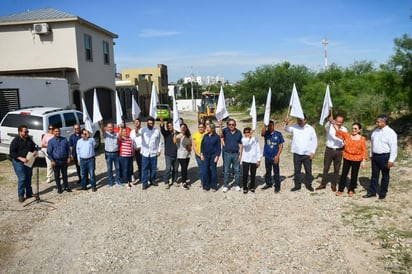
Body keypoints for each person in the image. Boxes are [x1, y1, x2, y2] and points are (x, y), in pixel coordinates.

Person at [363, 114, 398, 200]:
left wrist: (391, 160)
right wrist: (371, 154)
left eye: (378, 121)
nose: (377, 123)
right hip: (375, 156)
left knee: (385, 175)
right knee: (374, 175)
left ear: (384, 122)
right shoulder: (375, 132)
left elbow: (394, 148)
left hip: (385, 156)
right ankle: (372, 192)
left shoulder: (391, 133)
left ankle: (383, 192)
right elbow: (372, 144)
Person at [284, 114, 318, 192]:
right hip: (297, 153)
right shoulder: (294, 127)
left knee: (308, 170)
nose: (299, 121)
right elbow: (286, 129)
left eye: (301, 120)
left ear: (305, 120)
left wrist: (313, 152)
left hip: (307, 154)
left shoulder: (310, 129)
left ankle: (309, 185)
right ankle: (297, 185)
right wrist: (286, 122)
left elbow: (314, 141)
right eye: (298, 120)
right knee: (297, 170)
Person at [334, 122, 367, 197]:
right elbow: (339, 132)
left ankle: (351, 189)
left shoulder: (362, 139)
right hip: (347, 157)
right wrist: (334, 125)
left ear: (359, 130)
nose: (353, 130)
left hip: (357, 159)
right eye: (352, 128)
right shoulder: (347, 135)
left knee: (354, 175)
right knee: (344, 174)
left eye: (355, 129)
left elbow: (364, 150)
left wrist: (363, 160)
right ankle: (340, 189)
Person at [316, 115, 347, 192]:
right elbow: (327, 125)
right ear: (335, 120)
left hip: (339, 150)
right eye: (338, 121)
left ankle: (334, 185)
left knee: (337, 169)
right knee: (326, 167)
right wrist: (330, 121)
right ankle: (323, 184)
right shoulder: (329, 127)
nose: (339, 123)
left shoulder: (344, 129)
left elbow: (345, 139)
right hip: (329, 150)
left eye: (341, 122)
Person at [9, 125, 38, 202]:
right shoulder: (15, 141)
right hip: (18, 162)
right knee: (22, 178)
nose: (27, 133)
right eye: (25, 132)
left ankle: (29, 193)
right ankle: (21, 195)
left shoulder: (29, 139)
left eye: (27, 131)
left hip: (28, 161)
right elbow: (12, 153)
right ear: (20, 132)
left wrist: (35, 151)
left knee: (28, 177)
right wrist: (21, 158)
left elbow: (35, 147)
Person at [219, 118, 242, 192]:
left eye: (233, 124)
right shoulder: (225, 130)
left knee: (237, 170)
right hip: (227, 154)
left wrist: (240, 155)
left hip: (236, 154)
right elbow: (221, 136)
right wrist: (220, 126)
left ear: (235, 125)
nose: (231, 126)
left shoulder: (239, 132)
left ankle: (236, 184)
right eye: (230, 124)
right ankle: (226, 185)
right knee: (226, 170)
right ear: (227, 125)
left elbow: (241, 144)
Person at [261, 120, 284, 193]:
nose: (270, 127)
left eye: (271, 125)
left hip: (275, 156)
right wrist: (265, 125)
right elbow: (262, 133)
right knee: (268, 171)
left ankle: (277, 186)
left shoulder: (278, 134)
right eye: (269, 126)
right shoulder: (266, 133)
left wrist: (277, 156)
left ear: (273, 125)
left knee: (276, 172)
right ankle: (268, 183)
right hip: (267, 156)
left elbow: (281, 145)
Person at [47, 127, 72, 194]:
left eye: (58, 131)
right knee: (57, 175)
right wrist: (52, 160)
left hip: (64, 160)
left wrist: (69, 157)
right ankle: (59, 188)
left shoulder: (64, 139)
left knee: (65, 174)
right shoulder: (51, 141)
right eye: (56, 131)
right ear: (53, 132)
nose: (58, 132)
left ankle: (66, 186)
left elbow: (68, 149)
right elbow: (49, 152)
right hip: (56, 161)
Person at [99, 121, 123, 187]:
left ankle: (118, 180)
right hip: (108, 154)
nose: (110, 128)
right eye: (109, 127)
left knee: (117, 168)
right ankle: (110, 182)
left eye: (111, 127)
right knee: (109, 169)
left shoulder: (117, 133)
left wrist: (121, 128)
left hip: (116, 153)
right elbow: (102, 129)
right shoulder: (105, 134)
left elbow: (120, 138)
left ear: (113, 127)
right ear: (107, 128)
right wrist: (101, 123)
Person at [140, 117, 161, 190]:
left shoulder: (156, 131)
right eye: (148, 123)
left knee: (153, 168)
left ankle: (153, 180)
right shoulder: (143, 130)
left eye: (151, 123)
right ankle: (144, 182)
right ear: (147, 123)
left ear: (153, 124)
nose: (150, 124)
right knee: (144, 168)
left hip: (153, 152)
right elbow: (137, 135)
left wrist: (159, 150)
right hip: (145, 153)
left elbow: (159, 141)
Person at [200, 123, 221, 192]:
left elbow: (218, 147)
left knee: (213, 171)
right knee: (205, 170)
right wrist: (202, 154)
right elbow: (202, 146)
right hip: (205, 155)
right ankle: (206, 186)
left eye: (208, 127)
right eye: (206, 127)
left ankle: (214, 186)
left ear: (212, 128)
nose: (207, 129)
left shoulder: (216, 137)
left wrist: (217, 156)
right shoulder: (205, 136)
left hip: (213, 155)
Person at [241, 127, 261, 194]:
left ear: (250, 132)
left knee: (253, 174)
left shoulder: (255, 139)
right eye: (245, 132)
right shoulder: (243, 139)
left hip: (253, 159)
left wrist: (258, 160)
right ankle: (245, 187)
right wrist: (248, 138)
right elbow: (245, 144)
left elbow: (258, 149)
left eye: (248, 132)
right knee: (245, 174)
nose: (247, 133)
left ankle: (252, 186)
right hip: (246, 159)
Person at [160, 117, 179, 189]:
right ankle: (166, 182)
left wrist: (175, 133)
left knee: (176, 169)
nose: (169, 127)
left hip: (177, 154)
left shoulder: (177, 133)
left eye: (171, 125)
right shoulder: (166, 133)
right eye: (168, 126)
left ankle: (174, 181)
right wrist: (162, 123)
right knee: (168, 169)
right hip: (168, 154)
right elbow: (162, 129)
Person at [174, 123, 192, 189]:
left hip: (187, 154)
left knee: (185, 168)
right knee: (183, 168)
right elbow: (175, 141)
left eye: (184, 127)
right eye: (181, 127)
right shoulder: (179, 136)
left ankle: (185, 180)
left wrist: (190, 146)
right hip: (181, 155)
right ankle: (183, 182)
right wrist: (175, 134)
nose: (183, 129)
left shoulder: (188, 136)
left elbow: (190, 146)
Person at [191, 122, 206, 187]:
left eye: (202, 127)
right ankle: (202, 181)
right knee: (201, 169)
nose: (200, 128)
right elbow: (194, 145)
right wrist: (198, 154)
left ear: (204, 128)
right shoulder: (195, 135)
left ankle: (208, 180)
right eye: (199, 127)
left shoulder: (207, 134)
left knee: (206, 168)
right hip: (198, 154)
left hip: (206, 154)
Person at [130, 118, 142, 183]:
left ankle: (145, 177)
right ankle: (140, 177)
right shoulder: (132, 132)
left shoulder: (143, 130)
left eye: (138, 122)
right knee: (139, 164)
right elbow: (131, 141)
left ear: (140, 123)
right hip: (136, 151)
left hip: (143, 150)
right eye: (135, 122)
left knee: (145, 164)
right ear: (134, 124)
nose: (137, 123)